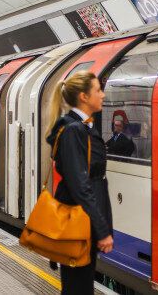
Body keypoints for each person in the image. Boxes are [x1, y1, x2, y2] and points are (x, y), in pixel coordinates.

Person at [45, 70, 113, 294]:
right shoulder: (75, 130)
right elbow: (80, 184)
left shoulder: (80, 127)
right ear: (84, 97)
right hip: (78, 221)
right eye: (97, 90)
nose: (102, 95)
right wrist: (102, 229)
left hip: (82, 220)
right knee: (78, 288)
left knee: (80, 285)